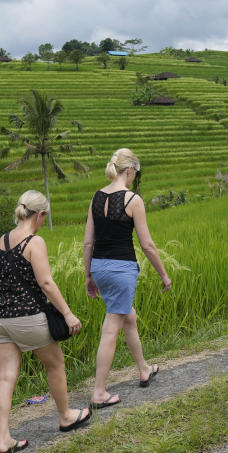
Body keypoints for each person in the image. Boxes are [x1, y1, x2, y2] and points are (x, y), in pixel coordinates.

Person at [0, 190, 91, 453]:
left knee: (6, 376)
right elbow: (45, 283)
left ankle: (3, 440)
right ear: (40, 214)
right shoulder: (35, 242)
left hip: (1, 317)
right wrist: (68, 314)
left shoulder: (2, 240)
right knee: (55, 364)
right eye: (45, 216)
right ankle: (66, 416)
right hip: (27, 316)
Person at [83, 148, 171, 410]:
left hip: (99, 266)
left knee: (127, 316)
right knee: (112, 326)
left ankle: (144, 369)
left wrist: (89, 275)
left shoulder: (96, 197)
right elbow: (147, 245)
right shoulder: (133, 200)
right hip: (122, 270)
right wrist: (163, 274)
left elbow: (88, 242)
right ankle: (99, 392)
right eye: (135, 173)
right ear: (129, 170)